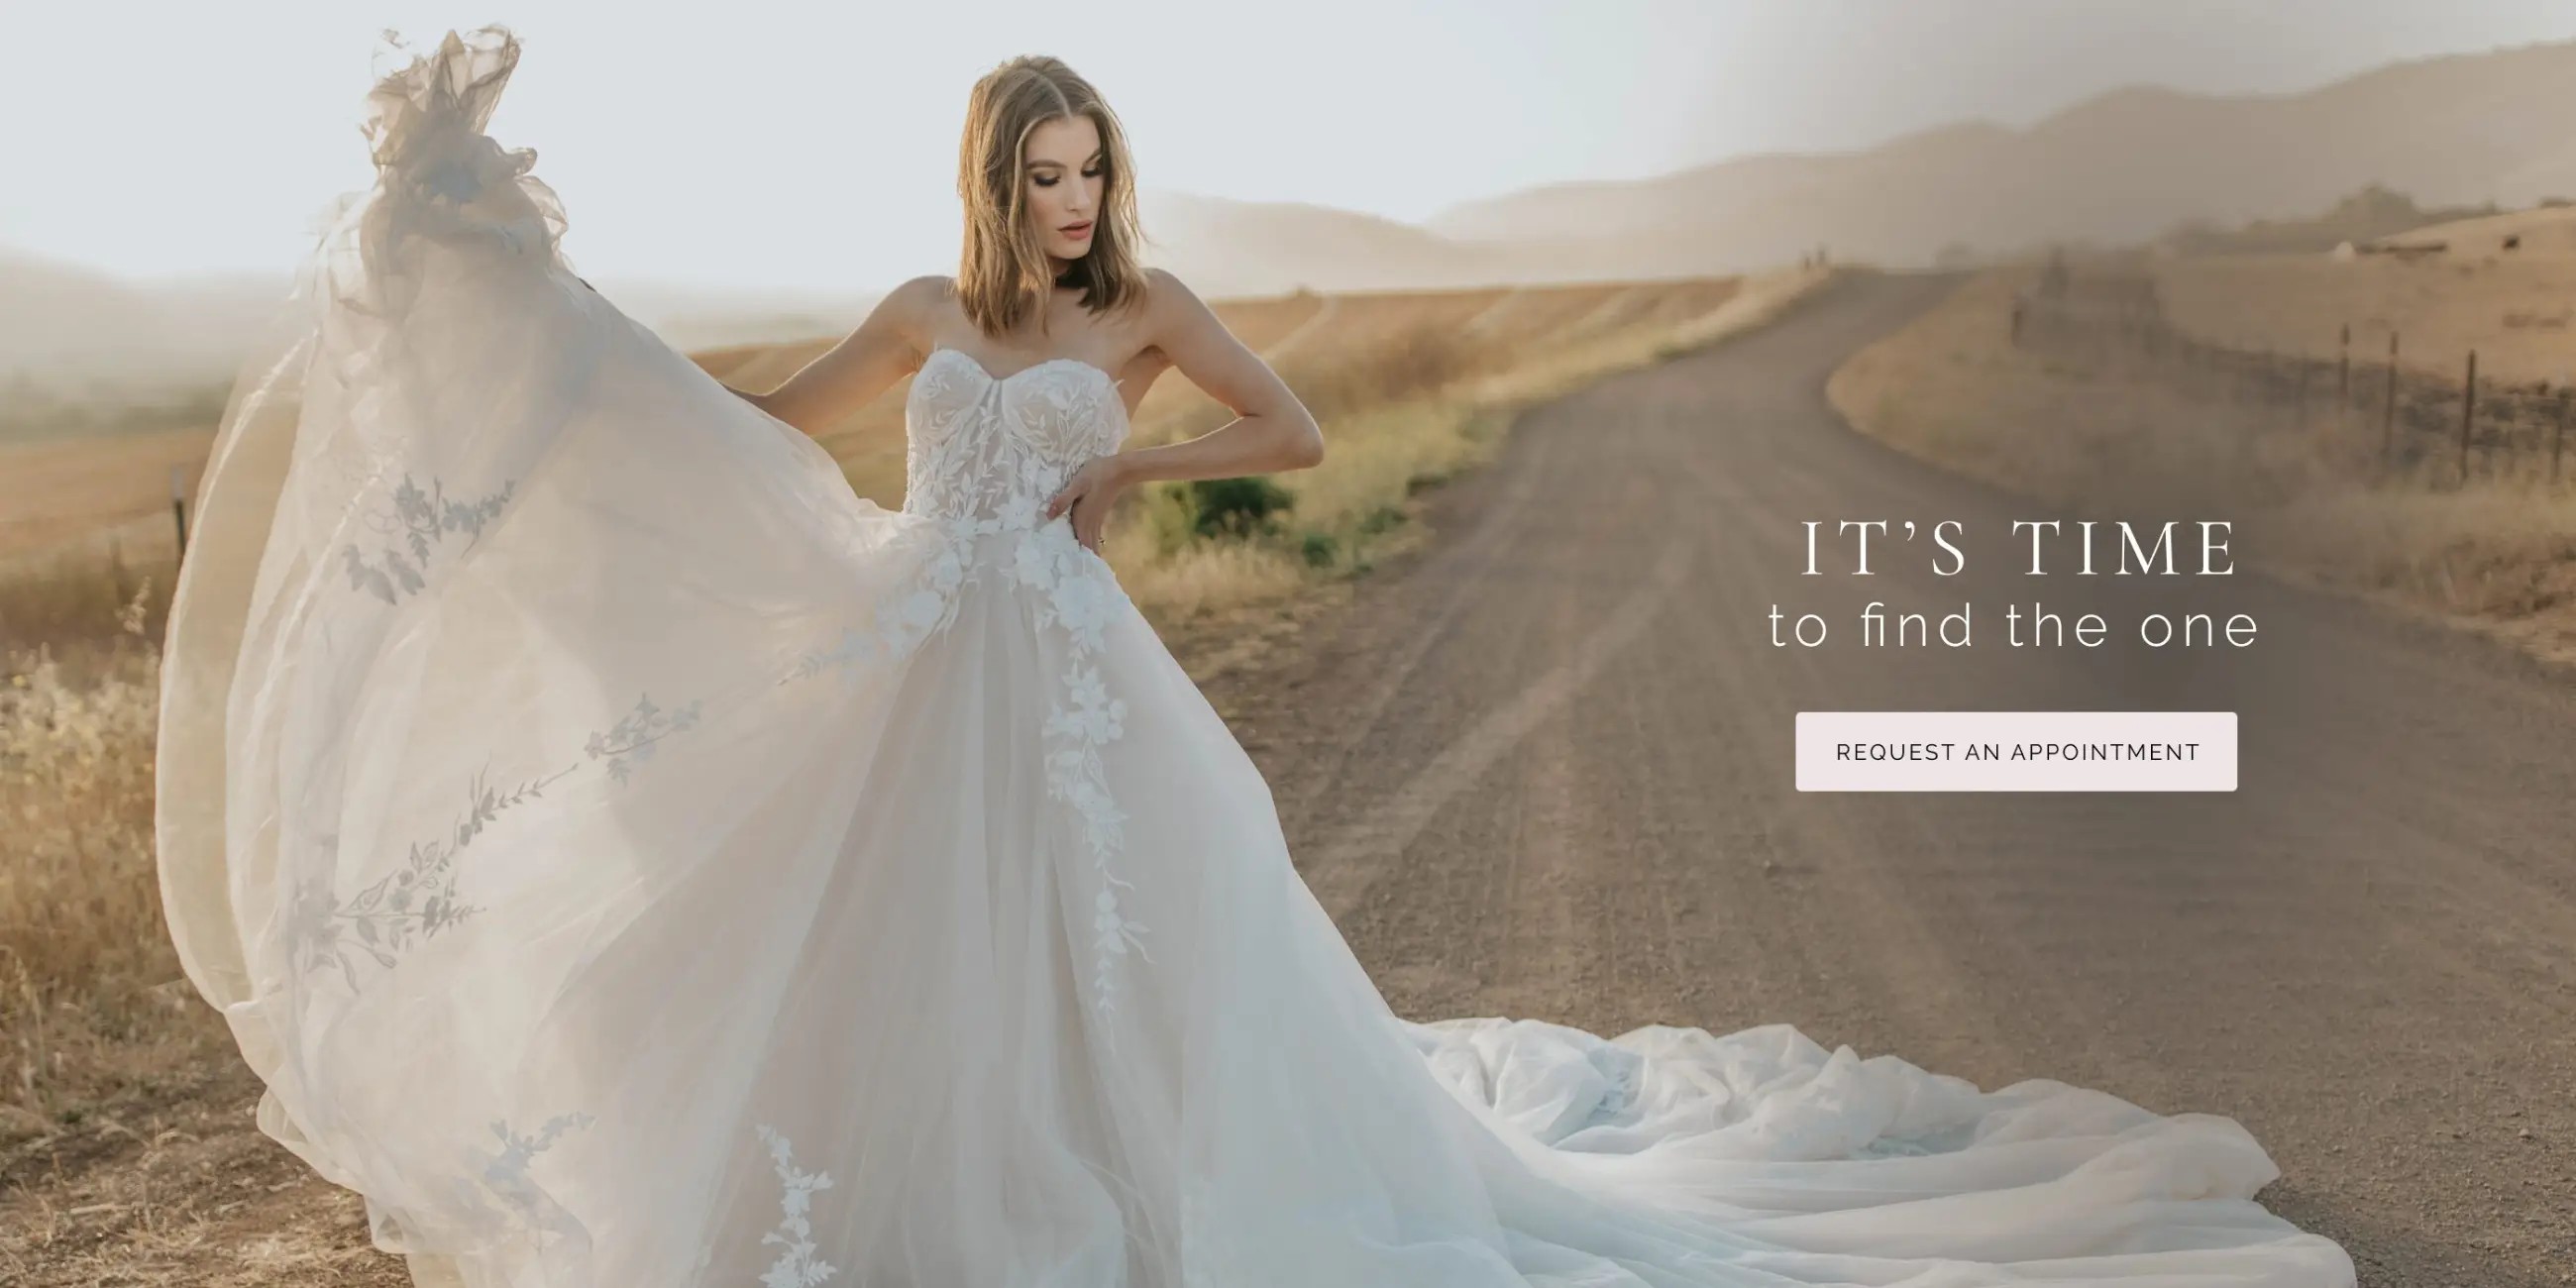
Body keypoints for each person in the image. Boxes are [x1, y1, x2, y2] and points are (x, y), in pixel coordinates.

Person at [155, 26, 2355, 1288]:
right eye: (1042, 175)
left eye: (1091, 172)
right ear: (989, 187)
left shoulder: (1142, 315)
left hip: (1074, 676)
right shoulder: (927, 325)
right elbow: (757, 433)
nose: (1075, 205)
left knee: (1120, 959)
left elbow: (1288, 426)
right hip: (909, 664)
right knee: (895, 957)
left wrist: (1133, 483)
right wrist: (545, 346)